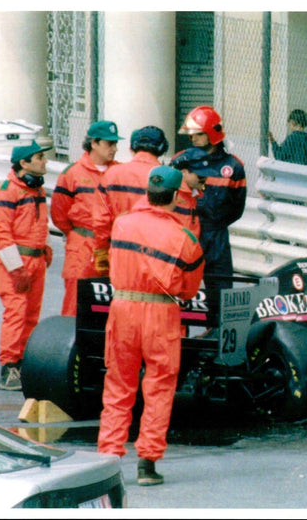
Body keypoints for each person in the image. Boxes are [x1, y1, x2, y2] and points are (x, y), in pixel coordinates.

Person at [97, 165, 205, 486]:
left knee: (118, 385)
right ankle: (147, 464)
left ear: (147, 191)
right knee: (159, 387)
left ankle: (108, 459)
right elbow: (189, 289)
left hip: (123, 309)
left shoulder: (122, 225)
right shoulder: (185, 239)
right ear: (174, 196)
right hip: (161, 315)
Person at [0, 141, 53, 390]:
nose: (44, 161)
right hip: (15, 263)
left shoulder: (36, 189)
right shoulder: (6, 192)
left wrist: (45, 248)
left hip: (35, 260)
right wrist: (16, 269)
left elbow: (40, 223)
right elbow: (1, 233)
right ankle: (9, 366)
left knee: (31, 315)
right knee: (16, 314)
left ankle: (24, 361)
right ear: (24, 164)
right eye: (39, 157)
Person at [178, 105, 247, 325]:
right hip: (186, 233)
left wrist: (215, 224)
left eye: (198, 134)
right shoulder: (180, 160)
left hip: (216, 236)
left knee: (220, 293)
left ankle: (215, 337)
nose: (193, 139)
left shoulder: (233, 166)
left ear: (212, 133)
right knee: (177, 289)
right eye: (191, 134)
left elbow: (237, 208)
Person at [51, 120, 121, 316]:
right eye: (109, 144)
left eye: (115, 144)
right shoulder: (72, 174)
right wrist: (79, 233)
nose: (114, 149)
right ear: (94, 143)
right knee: (76, 301)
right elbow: (59, 213)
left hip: (112, 246)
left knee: (112, 303)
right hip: (83, 245)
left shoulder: (119, 172)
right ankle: (70, 344)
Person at [92, 125, 169, 275]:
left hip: (120, 251)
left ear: (133, 147)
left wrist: (101, 251)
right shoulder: (166, 178)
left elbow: (101, 220)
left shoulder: (112, 174)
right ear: (162, 148)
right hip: (157, 255)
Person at [169, 147, 210, 238]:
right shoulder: (171, 195)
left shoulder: (195, 194)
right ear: (183, 172)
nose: (205, 179)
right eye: (200, 175)